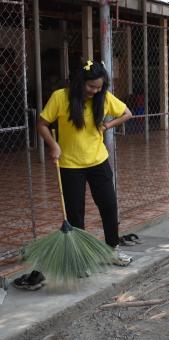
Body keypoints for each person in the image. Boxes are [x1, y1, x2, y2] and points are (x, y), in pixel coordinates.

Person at [37, 60, 133, 266]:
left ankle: (112, 250)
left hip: (98, 161)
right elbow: (42, 123)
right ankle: (80, 257)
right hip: (70, 165)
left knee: (108, 205)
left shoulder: (103, 97)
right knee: (75, 213)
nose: (95, 91)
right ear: (80, 82)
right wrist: (53, 145)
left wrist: (108, 125)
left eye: (99, 87)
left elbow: (127, 113)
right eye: (91, 87)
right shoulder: (60, 98)